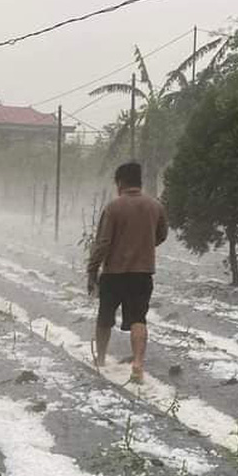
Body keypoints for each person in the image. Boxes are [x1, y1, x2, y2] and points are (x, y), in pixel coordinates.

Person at [87, 162, 168, 384]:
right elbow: (161, 235)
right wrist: (144, 247)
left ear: (120, 182)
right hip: (142, 274)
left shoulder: (113, 208)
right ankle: (138, 364)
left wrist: (92, 270)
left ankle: (101, 360)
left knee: (105, 318)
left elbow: (103, 243)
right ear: (139, 182)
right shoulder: (155, 206)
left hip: (114, 273)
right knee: (138, 319)